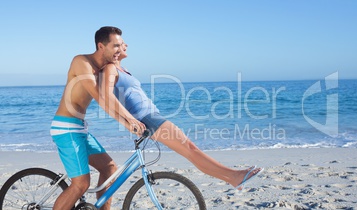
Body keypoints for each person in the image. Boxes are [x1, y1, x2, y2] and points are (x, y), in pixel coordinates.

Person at [100, 40, 264, 191]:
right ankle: (234, 176)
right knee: (190, 149)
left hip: (151, 115)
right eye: (119, 44)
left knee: (190, 150)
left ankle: (232, 178)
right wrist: (129, 119)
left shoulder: (124, 69)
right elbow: (107, 96)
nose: (125, 45)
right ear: (108, 47)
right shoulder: (110, 68)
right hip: (146, 118)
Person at [50, 27, 145, 210]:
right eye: (115, 45)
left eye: (121, 45)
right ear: (101, 46)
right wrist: (130, 119)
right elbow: (102, 98)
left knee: (109, 170)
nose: (120, 49)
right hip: (66, 128)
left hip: (80, 128)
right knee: (81, 184)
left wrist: (128, 124)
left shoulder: (104, 69)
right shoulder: (81, 61)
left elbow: (109, 102)